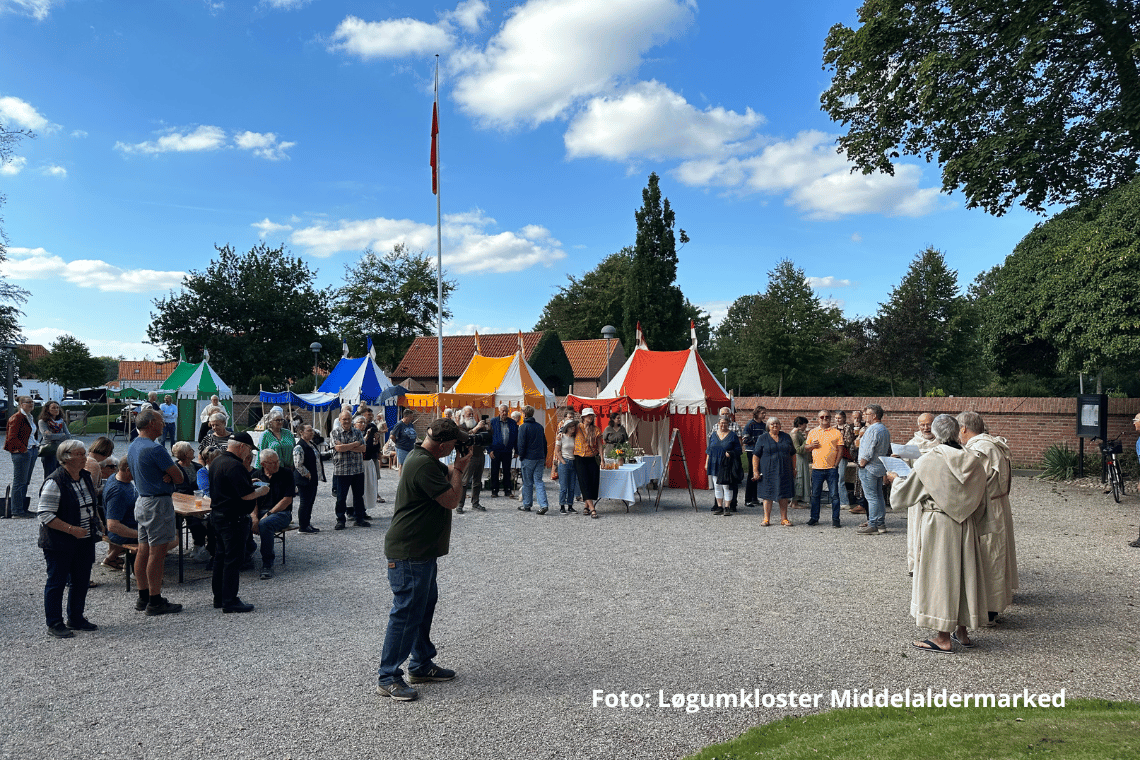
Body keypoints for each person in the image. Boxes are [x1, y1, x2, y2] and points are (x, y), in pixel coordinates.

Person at [376, 418, 472, 702]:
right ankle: (388, 677)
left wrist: (458, 465)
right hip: (409, 554)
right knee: (406, 613)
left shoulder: (424, 458)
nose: (458, 446)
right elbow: (452, 499)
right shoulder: (422, 464)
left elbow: (449, 475)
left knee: (422, 608)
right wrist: (461, 470)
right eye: (455, 443)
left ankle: (420, 665)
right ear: (442, 445)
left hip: (420, 552)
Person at [887, 414, 989, 653]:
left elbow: (905, 496)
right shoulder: (973, 460)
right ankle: (962, 631)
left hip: (939, 525)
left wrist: (895, 480)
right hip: (966, 525)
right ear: (956, 432)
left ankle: (943, 638)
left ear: (935, 432)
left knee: (940, 577)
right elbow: (982, 497)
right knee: (964, 574)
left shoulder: (930, 461)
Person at [958, 410, 1018, 624]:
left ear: (963, 429)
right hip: (997, 504)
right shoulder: (993, 444)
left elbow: (972, 481)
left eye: (959, 431)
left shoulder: (981, 449)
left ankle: (989, 610)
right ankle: (990, 607)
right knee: (994, 555)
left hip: (989, 507)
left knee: (989, 558)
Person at [37, 439, 101, 638]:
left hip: (84, 538)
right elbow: (45, 514)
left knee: (81, 580)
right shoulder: (54, 481)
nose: (85, 457)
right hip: (60, 541)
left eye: (84, 453)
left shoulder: (85, 476)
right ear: (66, 458)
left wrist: (98, 521)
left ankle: (76, 617)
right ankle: (54, 622)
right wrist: (71, 529)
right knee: (56, 582)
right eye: (80, 454)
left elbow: (91, 504)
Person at [127, 407, 185, 615]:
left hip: (142, 500)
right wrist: (168, 475)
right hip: (158, 504)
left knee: (143, 549)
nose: (164, 424)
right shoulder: (155, 449)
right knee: (157, 553)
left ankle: (143, 596)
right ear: (151, 423)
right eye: (161, 421)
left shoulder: (134, 445)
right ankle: (155, 600)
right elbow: (179, 477)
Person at [209, 432, 269, 613]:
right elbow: (245, 495)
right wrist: (261, 491)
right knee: (233, 560)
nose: (249, 454)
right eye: (249, 449)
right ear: (242, 446)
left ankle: (219, 597)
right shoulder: (235, 465)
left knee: (220, 557)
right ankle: (230, 600)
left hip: (218, 515)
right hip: (232, 519)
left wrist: (249, 481)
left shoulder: (218, 461)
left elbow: (229, 485)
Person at [251, 449, 295, 580]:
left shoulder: (286, 473)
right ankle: (246, 554)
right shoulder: (257, 475)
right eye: (273, 463)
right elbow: (253, 499)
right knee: (241, 520)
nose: (276, 465)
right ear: (264, 464)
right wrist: (254, 517)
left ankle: (267, 564)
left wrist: (268, 514)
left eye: (277, 462)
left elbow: (287, 500)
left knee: (266, 523)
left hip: (281, 513)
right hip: (261, 512)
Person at [902, 413, 940, 562]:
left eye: (929, 424)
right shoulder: (911, 444)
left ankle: (932, 562)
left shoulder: (942, 443)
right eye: (922, 425)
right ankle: (914, 561)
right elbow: (904, 470)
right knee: (915, 527)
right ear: (918, 426)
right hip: (917, 492)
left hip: (936, 492)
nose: (926, 428)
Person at [752, 417, 795, 527]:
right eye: (772, 424)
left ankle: (784, 518)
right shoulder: (762, 438)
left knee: (784, 494)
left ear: (780, 426)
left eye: (777, 424)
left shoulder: (786, 437)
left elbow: (793, 454)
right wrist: (755, 471)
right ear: (768, 426)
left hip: (785, 470)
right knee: (767, 494)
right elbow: (756, 455)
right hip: (768, 471)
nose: (775, 425)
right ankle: (766, 518)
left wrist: (794, 468)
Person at [856, 404, 893, 535]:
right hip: (879, 467)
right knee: (878, 496)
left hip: (869, 468)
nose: (865, 416)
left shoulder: (872, 430)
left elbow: (867, 450)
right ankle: (881, 523)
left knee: (871, 497)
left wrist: (862, 463)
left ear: (874, 416)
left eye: (867, 414)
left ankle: (872, 524)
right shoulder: (884, 429)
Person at [805, 410, 844, 527]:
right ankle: (814, 518)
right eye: (822, 416)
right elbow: (806, 448)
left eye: (827, 416)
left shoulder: (836, 432)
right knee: (815, 495)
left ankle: (836, 519)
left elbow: (841, 450)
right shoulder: (812, 432)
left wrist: (836, 465)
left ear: (830, 418)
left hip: (831, 469)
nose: (824, 418)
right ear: (818, 418)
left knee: (834, 495)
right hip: (817, 468)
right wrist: (812, 446)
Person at [331, 409, 369, 529]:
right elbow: (338, 449)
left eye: (348, 419)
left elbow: (363, 449)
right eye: (344, 419)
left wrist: (345, 446)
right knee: (341, 497)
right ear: (340, 420)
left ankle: (359, 518)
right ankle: (340, 520)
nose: (347, 421)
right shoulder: (335, 432)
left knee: (359, 496)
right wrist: (354, 444)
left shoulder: (357, 432)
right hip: (342, 470)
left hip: (357, 469)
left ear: (351, 419)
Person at [5, 396, 40, 518]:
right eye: (28, 402)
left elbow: (31, 434)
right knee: (19, 482)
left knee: (25, 482)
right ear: (21, 404)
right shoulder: (17, 417)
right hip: (22, 453)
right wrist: (23, 449)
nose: (31, 404)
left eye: (32, 402)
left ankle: (22, 508)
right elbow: (11, 437)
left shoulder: (29, 417)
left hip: (32, 450)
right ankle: (16, 511)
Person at [102, 457, 137, 570]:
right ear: (128, 470)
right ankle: (134, 569)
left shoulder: (114, 477)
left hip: (129, 525)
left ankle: (110, 558)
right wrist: (140, 534)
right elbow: (113, 526)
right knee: (171, 538)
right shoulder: (118, 492)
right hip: (121, 534)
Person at [706, 415, 742, 516]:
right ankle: (719, 506)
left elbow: (739, 450)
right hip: (714, 463)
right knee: (717, 486)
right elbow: (709, 450)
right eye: (721, 423)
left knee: (726, 486)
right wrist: (706, 462)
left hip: (727, 464)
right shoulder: (713, 434)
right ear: (718, 424)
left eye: (725, 423)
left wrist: (731, 453)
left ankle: (727, 507)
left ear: (728, 424)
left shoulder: (733, 435)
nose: (723, 425)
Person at [516, 405, 549, 514]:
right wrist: (544, 456)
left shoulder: (523, 427)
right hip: (539, 457)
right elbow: (544, 443)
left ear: (524, 414)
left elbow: (521, 444)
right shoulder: (539, 427)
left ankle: (527, 504)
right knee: (539, 481)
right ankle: (543, 504)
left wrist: (521, 456)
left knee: (527, 482)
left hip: (528, 457)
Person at [456, 406, 489, 514]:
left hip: (480, 455)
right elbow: (464, 438)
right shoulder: (461, 427)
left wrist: (488, 428)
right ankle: (460, 505)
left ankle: (475, 503)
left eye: (472, 414)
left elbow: (487, 437)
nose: (471, 416)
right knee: (464, 481)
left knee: (477, 481)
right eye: (469, 414)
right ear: (463, 415)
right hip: (468, 457)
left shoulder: (478, 425)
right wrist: (476, 429)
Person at [573, 408, 604, 518]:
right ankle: (592, 509)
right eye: (588, 416)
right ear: (583, 417)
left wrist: (602, 459)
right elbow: (565, 430)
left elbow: (600, 445)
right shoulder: (577, 428)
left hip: (592, 457)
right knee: (584, 482)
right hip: (580, 458)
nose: (590, 417)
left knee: (593, 482)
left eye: (592, 416)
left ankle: (586, 506)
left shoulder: (596, 430)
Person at [293, 424, 321, 533]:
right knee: (305, 502)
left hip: (312, 479)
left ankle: (307, 523)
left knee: (310, 502)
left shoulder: (311, 444)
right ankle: (303, 526)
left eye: (312, 430)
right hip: (304, 480)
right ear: (301, 432)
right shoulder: (299, 446)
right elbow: (298, 464)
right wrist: (307, 474)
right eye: (309, 430)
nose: (311, 432)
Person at [488, 405, 519, 498]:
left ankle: (507, 490)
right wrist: (489, 450)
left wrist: (516, 450)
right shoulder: (493, 422)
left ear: (508, 412)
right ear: (499, 411)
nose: (504, 413)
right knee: (495, 471)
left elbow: (516, 438)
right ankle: (494, 490)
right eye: (502, 411)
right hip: (496, 450)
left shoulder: (512, 423)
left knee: (507, 471)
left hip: (507, 450)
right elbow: (488, 437)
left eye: (506, 411)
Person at [553, 413, 579, 514]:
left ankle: (570, 505)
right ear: (567, 428)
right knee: (563, 486)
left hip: (573, 461)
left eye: (574, 427)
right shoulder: (561, 437)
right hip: (565, 460)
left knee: (572, 486)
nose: (573, 429)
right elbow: (557, 451)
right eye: (571, 427)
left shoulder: (575, 437)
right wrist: (562, 461)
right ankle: (562, 506)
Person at [38, 400, 71, 479]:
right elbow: (47, 437)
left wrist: (54, 435)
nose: (56, 410)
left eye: (57, 408)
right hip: (49, 451)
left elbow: (68, 436)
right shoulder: (43, 422)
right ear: (47, 410)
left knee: (62, 474)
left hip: (61, 450)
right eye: (53, 408)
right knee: (50, 475)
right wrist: (61, 435)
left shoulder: (61, 422)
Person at [741, 407, 767, 507]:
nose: (764, 415)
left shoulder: (764, 425)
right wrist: (758, 442)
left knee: (758, 474)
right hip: (751, 451)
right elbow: (745, 439)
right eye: (762, 413)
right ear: (757, 413)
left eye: (765, 413)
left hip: (761, 452)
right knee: (752, 473)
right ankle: (747, 499)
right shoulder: (750, 424)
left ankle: (754, 498)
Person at [258, 408, 295, 473]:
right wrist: (259, 471)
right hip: (272, 471)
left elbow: (295, 450)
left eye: (282, 420)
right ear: (270, 422)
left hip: (289, 470)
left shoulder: (288, 433)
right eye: (277, 420)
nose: (280, 422)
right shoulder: (265, 435)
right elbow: (260, 453)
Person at [356, 415, 380, 514]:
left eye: (364, 423)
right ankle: (352, 510)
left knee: (367, 487)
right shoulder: (354, 434)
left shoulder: (369, 434)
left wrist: (376, 442)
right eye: (360, 422)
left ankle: (363, 509)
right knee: (357, 488)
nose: (362, 425)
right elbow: (359, 446)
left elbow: (373, 449)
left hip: (368, 461)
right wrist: (366, 437)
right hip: (357, 463)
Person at [834, 411, 854, 510]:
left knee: (840, 478)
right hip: (833, 454)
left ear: (844, 419)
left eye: (839, 418)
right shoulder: (833, 428)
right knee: (834, 478)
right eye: (836, 418)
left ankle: (844, 501)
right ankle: (836, 500)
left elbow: (848, 441)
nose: (838, 420)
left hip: (843, 454)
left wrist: (838, 441)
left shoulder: (847, 428)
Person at [791, 417, 811, 508]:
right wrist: (807, 441)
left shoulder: (798, 433)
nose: (805, 426)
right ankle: (794, 502)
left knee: (800, 479)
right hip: (798, 460)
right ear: (800, 424)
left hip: (802, 459)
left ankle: (795, 501)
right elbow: (797, 449)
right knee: (799, 479)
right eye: (804, 424)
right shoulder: (794, 434)